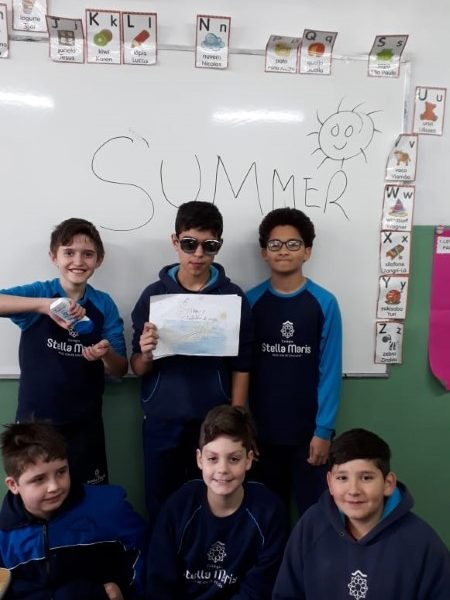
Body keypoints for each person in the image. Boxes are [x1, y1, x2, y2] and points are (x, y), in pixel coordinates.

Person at [130, 201, 253, 526]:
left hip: (215, 421)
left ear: (219, 246)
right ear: (175, 241)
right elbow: (138, 368)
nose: (198, 254)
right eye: (189, 244)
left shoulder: (233, 297)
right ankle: (164, 557)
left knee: (213, 500)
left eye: (208, 245)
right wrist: (145, 353)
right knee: (161, 502)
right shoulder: (153, 295)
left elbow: (242, 363)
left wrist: (237, 418)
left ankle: (209, 556)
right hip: (162, 418)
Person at [0, 218, 128, 485]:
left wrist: (104, 354)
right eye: (69, 252)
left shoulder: (103, 304)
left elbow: (120, 369)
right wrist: (43, 306)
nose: (78, 261)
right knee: (39, 495)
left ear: (99, 260)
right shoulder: (41, 292)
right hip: (35, 424)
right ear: (53, 256)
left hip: (85, 424)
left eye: (87, 254)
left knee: (89, 498)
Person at [273, 428, 450, 599]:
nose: (353, 490)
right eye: (342, 478)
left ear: (388, 484)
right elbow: (286, 594)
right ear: (330, 483)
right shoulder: (311, 527)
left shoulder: (421, 542)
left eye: (366, 478)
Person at [246, 207, 342, 516]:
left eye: (293, 244)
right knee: (266, 515)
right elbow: (241, 368)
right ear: (264, 252)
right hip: (260, 435)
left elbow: (330, 371)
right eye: (275, 244)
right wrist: (245, 429)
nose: (283, 251)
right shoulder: (250, 302)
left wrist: (323, 431)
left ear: (307, 251)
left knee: (314, 516)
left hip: (309, 436)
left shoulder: (324, 303)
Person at [147, 404, 288, 599]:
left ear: (248, 460)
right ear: (200, 459)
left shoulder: (269, 513)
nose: (222, 469)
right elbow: (159, 584)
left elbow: (259, 590)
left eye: (234, 459)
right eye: (213, 459)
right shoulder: (178, 508)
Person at [0, 422, 147, 600]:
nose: (54, 486)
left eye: (61, 472)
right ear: (13, 485)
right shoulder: (3, 536)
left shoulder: (108, 507)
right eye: (39, 479)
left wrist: (126, 590)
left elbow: (144, 551)